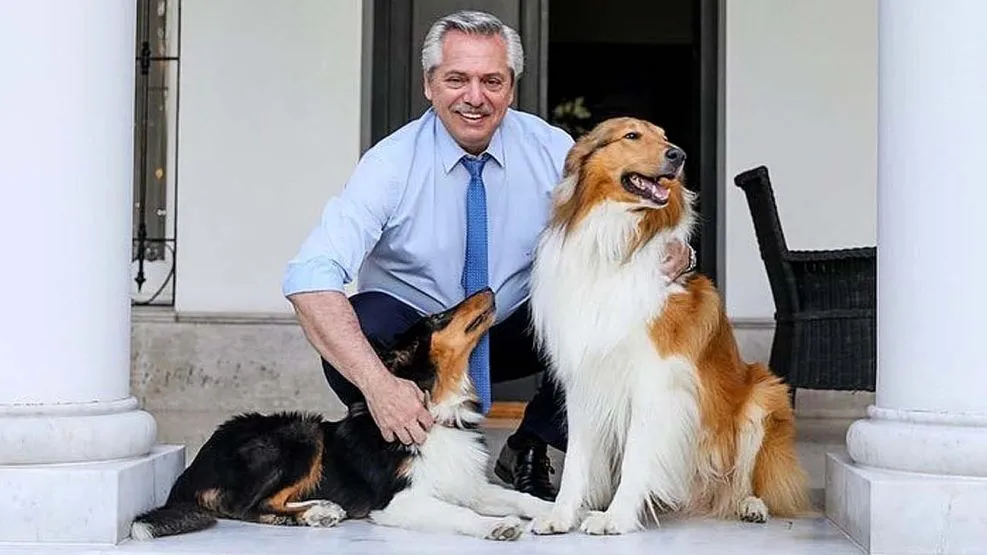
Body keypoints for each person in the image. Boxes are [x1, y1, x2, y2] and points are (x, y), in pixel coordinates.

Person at [281, 10, 695, 502]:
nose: (475, 97)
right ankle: (395, 444)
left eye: (492, 81)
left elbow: (610, 219)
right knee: (363, 320)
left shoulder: (550, 148)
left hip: (515, 327)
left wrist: (675, 250)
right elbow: (310, 278)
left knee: (592, 315)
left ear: (511, 88)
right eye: (457, 79)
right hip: (424, 333)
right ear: (429, 85)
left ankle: (532, 444)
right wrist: (377, 384)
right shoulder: (390, 164)